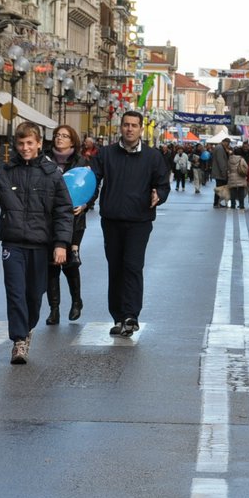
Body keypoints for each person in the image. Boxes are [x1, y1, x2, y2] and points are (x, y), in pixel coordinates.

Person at [0, 122, 72, 364]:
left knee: (34, 294)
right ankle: (19, 341)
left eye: (30, 143)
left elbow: (63, 210)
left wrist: (61, 243)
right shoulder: (4, 171)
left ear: (40, 143)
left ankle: (27, 328)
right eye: (21, 143)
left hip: (41, 245)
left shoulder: (52, 174)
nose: (25, 148)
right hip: (12, 243)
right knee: (15, 292)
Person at [93, 110, 171, 337]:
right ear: (121, 127)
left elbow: (163, 184)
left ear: (140, 129)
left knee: (133, 267)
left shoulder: (152, 156)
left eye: (134, 125)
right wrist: (83, 202)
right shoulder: (106, 154)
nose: (129, 129)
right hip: (112, 220)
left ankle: (131, 316)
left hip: (139, 221)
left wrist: (160, 196)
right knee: (115, 268)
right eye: (126, 125)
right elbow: (93, 180)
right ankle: (117, 317)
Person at [43, 124, 91, 324]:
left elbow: (91, 185)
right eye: (57, 135)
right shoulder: (44, 160)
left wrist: (86, 204)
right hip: (48, 219)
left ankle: (76, 301)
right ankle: (54, 309)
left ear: (72, 141)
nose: (59, 139)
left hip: (73, 220)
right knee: (51, 266)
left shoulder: (81, 162)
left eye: (64, 136)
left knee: (70, 264)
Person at [209, 139, 231, 208]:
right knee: (220, 188)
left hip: (219, 172)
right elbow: (221, 161)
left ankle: (217, 202)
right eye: (227, 144)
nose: (227, 145)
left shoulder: (219, 147)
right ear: (224, 142)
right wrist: (224, 172)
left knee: (220, 188)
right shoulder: (220, 148)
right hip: (220, 172)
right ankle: (216, 203)